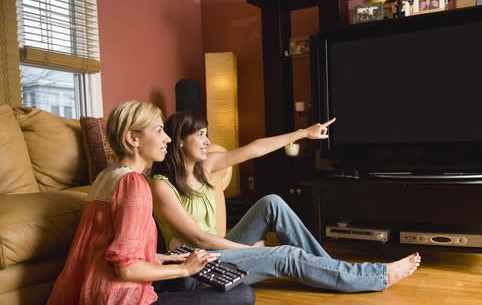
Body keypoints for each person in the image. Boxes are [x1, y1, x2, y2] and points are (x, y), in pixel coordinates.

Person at [42, 101, 255, 305]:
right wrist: (185, 268)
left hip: (93, 304)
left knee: (183, 273)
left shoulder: (107, 176)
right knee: (243, 295)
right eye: (158, 131)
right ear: (133, 138)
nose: (167, 138)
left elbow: (109, 250)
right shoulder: (134, 184)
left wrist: (164, 259)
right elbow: (127, 269)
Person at [150, 110, 421, 294]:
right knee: (284, 255)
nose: (207, 141)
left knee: (272, 202)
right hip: (196, 272)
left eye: (206, 134)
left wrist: (303, 133)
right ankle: (373, 277)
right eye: (199, 135)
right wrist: (255, 251)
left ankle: (331, 273)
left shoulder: (204, 166)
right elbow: (201, 239)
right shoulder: (161, 185)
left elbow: (255, 148)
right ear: (179, 141)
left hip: (217, 253)